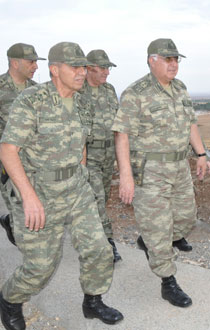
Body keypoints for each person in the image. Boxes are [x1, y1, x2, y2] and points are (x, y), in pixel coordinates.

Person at [0, 42, 123, 330]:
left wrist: (80, 173)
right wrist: (28, 197)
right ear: (55, 70)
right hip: (38, 192)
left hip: (76, 190)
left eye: (83, 67)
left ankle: (93, 301)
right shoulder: (32, 100)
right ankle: (9, 298)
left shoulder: (81, 101)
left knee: (99, 249)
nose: (82, 72)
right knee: (41, 267)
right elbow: (7, 151)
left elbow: (80, 142)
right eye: (75, 67)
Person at [112, 38, 209, 308]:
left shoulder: (180, 88)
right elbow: (122, 135)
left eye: (176, 59)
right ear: (151, 60)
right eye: (168, 59)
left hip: (179, 167)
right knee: (158, 227)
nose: (174, 64)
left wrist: (201, 154)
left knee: (186, 218)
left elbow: (191, 123)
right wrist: (126, 176)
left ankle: (150, 240)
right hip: (150, 171)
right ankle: (168, 281)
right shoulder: (136, 93)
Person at [0, 43, 45, 247]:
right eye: (31, 61)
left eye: (36, 61)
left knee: (29, 204)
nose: (35, 66)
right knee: (17, 202)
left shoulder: (36, 90)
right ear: (15, 63)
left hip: (33, 160)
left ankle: (16, 225)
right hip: (7, 160)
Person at [80, 49, 121, 263]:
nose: (107, 72)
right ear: (88, 68)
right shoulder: (77, 91)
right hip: (88, 154)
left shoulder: (110, 90)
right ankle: (108, 242)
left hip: (109, 154)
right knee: (97, 197)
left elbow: (118, 123)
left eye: (108, 68)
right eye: (103, 68)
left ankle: (91, 235)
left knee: (102, 199)